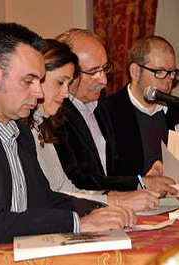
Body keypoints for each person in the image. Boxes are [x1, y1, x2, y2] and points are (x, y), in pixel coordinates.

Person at [0, 23, 136, 265]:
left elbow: (44, 199)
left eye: (40, 80)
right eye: (28, 80)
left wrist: (98, 210)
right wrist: (78, 223)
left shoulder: (19, 130)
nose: (38, 93)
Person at [28, 38, 159, 212]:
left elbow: (68, 188)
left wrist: (139, 183)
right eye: (60, 82)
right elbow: (70, 185)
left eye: (105, 69)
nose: (66, 93)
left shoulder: (46, 122)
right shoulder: (48, 119)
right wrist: (117, 200)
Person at [54, 29, 176, 196]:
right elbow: (78, 181)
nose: (104, 80)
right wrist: (140, 182)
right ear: (68, 72)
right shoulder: (56, 116)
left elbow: (111, 173)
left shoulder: (99, 109)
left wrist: (146, 178)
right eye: (93, 72)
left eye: (105, 69)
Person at [103, 36, 179, 176]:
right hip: (132, 196)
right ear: (135, 72)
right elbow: (107, 175)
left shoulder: (175, 112)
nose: (168, 81)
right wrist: (143, 182)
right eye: (159, 72)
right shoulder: (107, 112)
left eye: (172, 72)